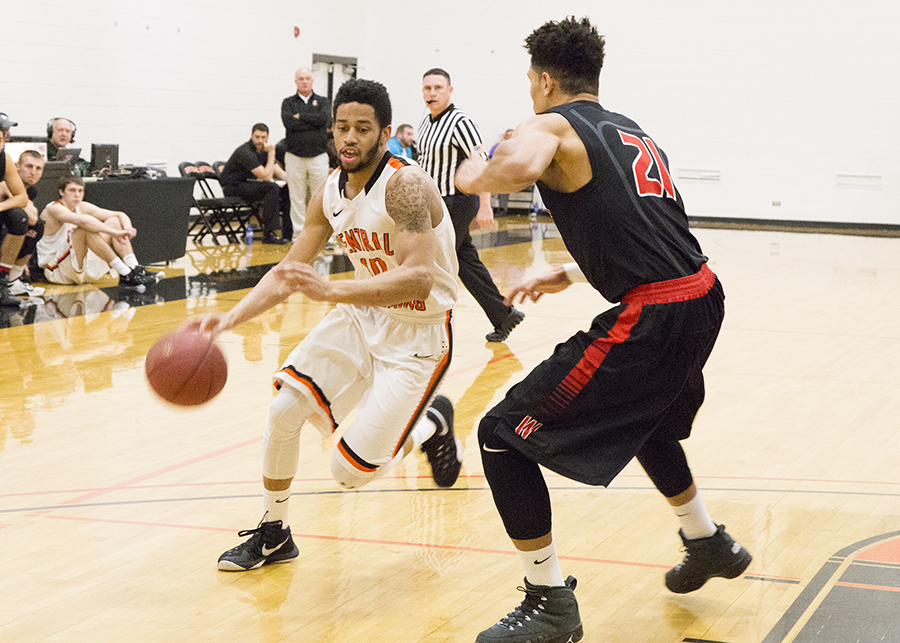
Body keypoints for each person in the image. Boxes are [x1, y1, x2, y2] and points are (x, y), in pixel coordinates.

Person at [455, 17, 752, 643]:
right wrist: (569, 271)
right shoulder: (630, 130)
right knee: (642, 419)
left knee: (501, 434)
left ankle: (550, 602)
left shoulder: (548, 124)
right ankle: (707, 542)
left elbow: (509, 169)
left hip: (654, 316)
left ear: (542, 81)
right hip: (700, 294)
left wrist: (485, 160)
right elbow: (652, 234)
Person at [186, 78, 463, 572]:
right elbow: (288, 272)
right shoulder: (331, 190)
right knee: (282, 412)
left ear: (383, 134)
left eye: (362, 128)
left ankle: (432, 423)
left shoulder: (405, 186)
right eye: (342, 128)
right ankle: (274, 533)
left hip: (417, 333)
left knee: (349, 472)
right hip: (360, 317)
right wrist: (228, 319)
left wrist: (331, 290)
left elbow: (418, 279)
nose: (349, 138)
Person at [417, 68, 524, 343]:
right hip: (434, 203)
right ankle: (503, 315)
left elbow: (480, 164)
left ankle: (426, 326)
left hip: (457, 202)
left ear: (449, 91)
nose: (432, 93)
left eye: (438, 88)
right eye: (427, 88)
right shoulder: (425, 123)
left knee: (434, 260)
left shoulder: (460, 122)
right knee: (465, 261)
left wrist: (485, 204)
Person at [36, 175, 159, 287]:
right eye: (72, 190)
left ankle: (135, 268)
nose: (77, 195)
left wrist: (128, 228)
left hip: (79, 262)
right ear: (61, 192)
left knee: (114, 221)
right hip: (57, 270)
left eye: (80, 191)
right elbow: (83, 221)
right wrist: (114, 233)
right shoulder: (53, 208)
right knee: (84, 230)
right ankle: (125, 272)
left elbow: (120, 214)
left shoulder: (82, 206)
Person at [219, 123, 290, 245]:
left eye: (263, 137)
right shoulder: (245, 152)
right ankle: (269, 234)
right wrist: (272, 153)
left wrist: (294, 181)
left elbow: (279, 172)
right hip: (232, 187)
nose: (260, 140)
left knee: (287, 189)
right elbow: (266, 176)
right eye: (257, 137)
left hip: (246, 185)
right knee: (271, 188)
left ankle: (288, 232)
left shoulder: (263, 151)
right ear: (251, 136)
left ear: (267, 138)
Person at [281, 67, 331, 239]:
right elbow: (289, 123)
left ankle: (323, 235)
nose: (304, 81)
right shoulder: (288, 102)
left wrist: (300, 116)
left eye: (307, 78)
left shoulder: (323, 101)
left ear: (312, 80)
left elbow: (323, 120)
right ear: (296, 82)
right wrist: (312, 120)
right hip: (294, 156)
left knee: (320, 198)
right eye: (301, 78)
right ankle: (299, 236)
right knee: (297, 198)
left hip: (318, 156)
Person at [0, 150, 47, 297]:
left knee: (37, 226)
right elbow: (32, 216)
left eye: (38, 168)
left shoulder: (31, 191)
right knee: (20, 217)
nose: (33, 172)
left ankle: (12, 281)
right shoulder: (6, 184)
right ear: (16, 166)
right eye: (29, 166)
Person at [0, 113, 28, 307]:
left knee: (20, 218)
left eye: (1, 138)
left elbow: (22, 198)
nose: (2, 141)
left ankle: (2, 284)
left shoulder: (5, 157)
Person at [489, 129, 515, 216]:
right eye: (506, 135)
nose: (508, 137)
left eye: (510, 135)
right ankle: (490, 209)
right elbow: (491, 155)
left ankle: (503, 210)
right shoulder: (501, 146)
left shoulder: (517, 146)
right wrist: (499, 140)